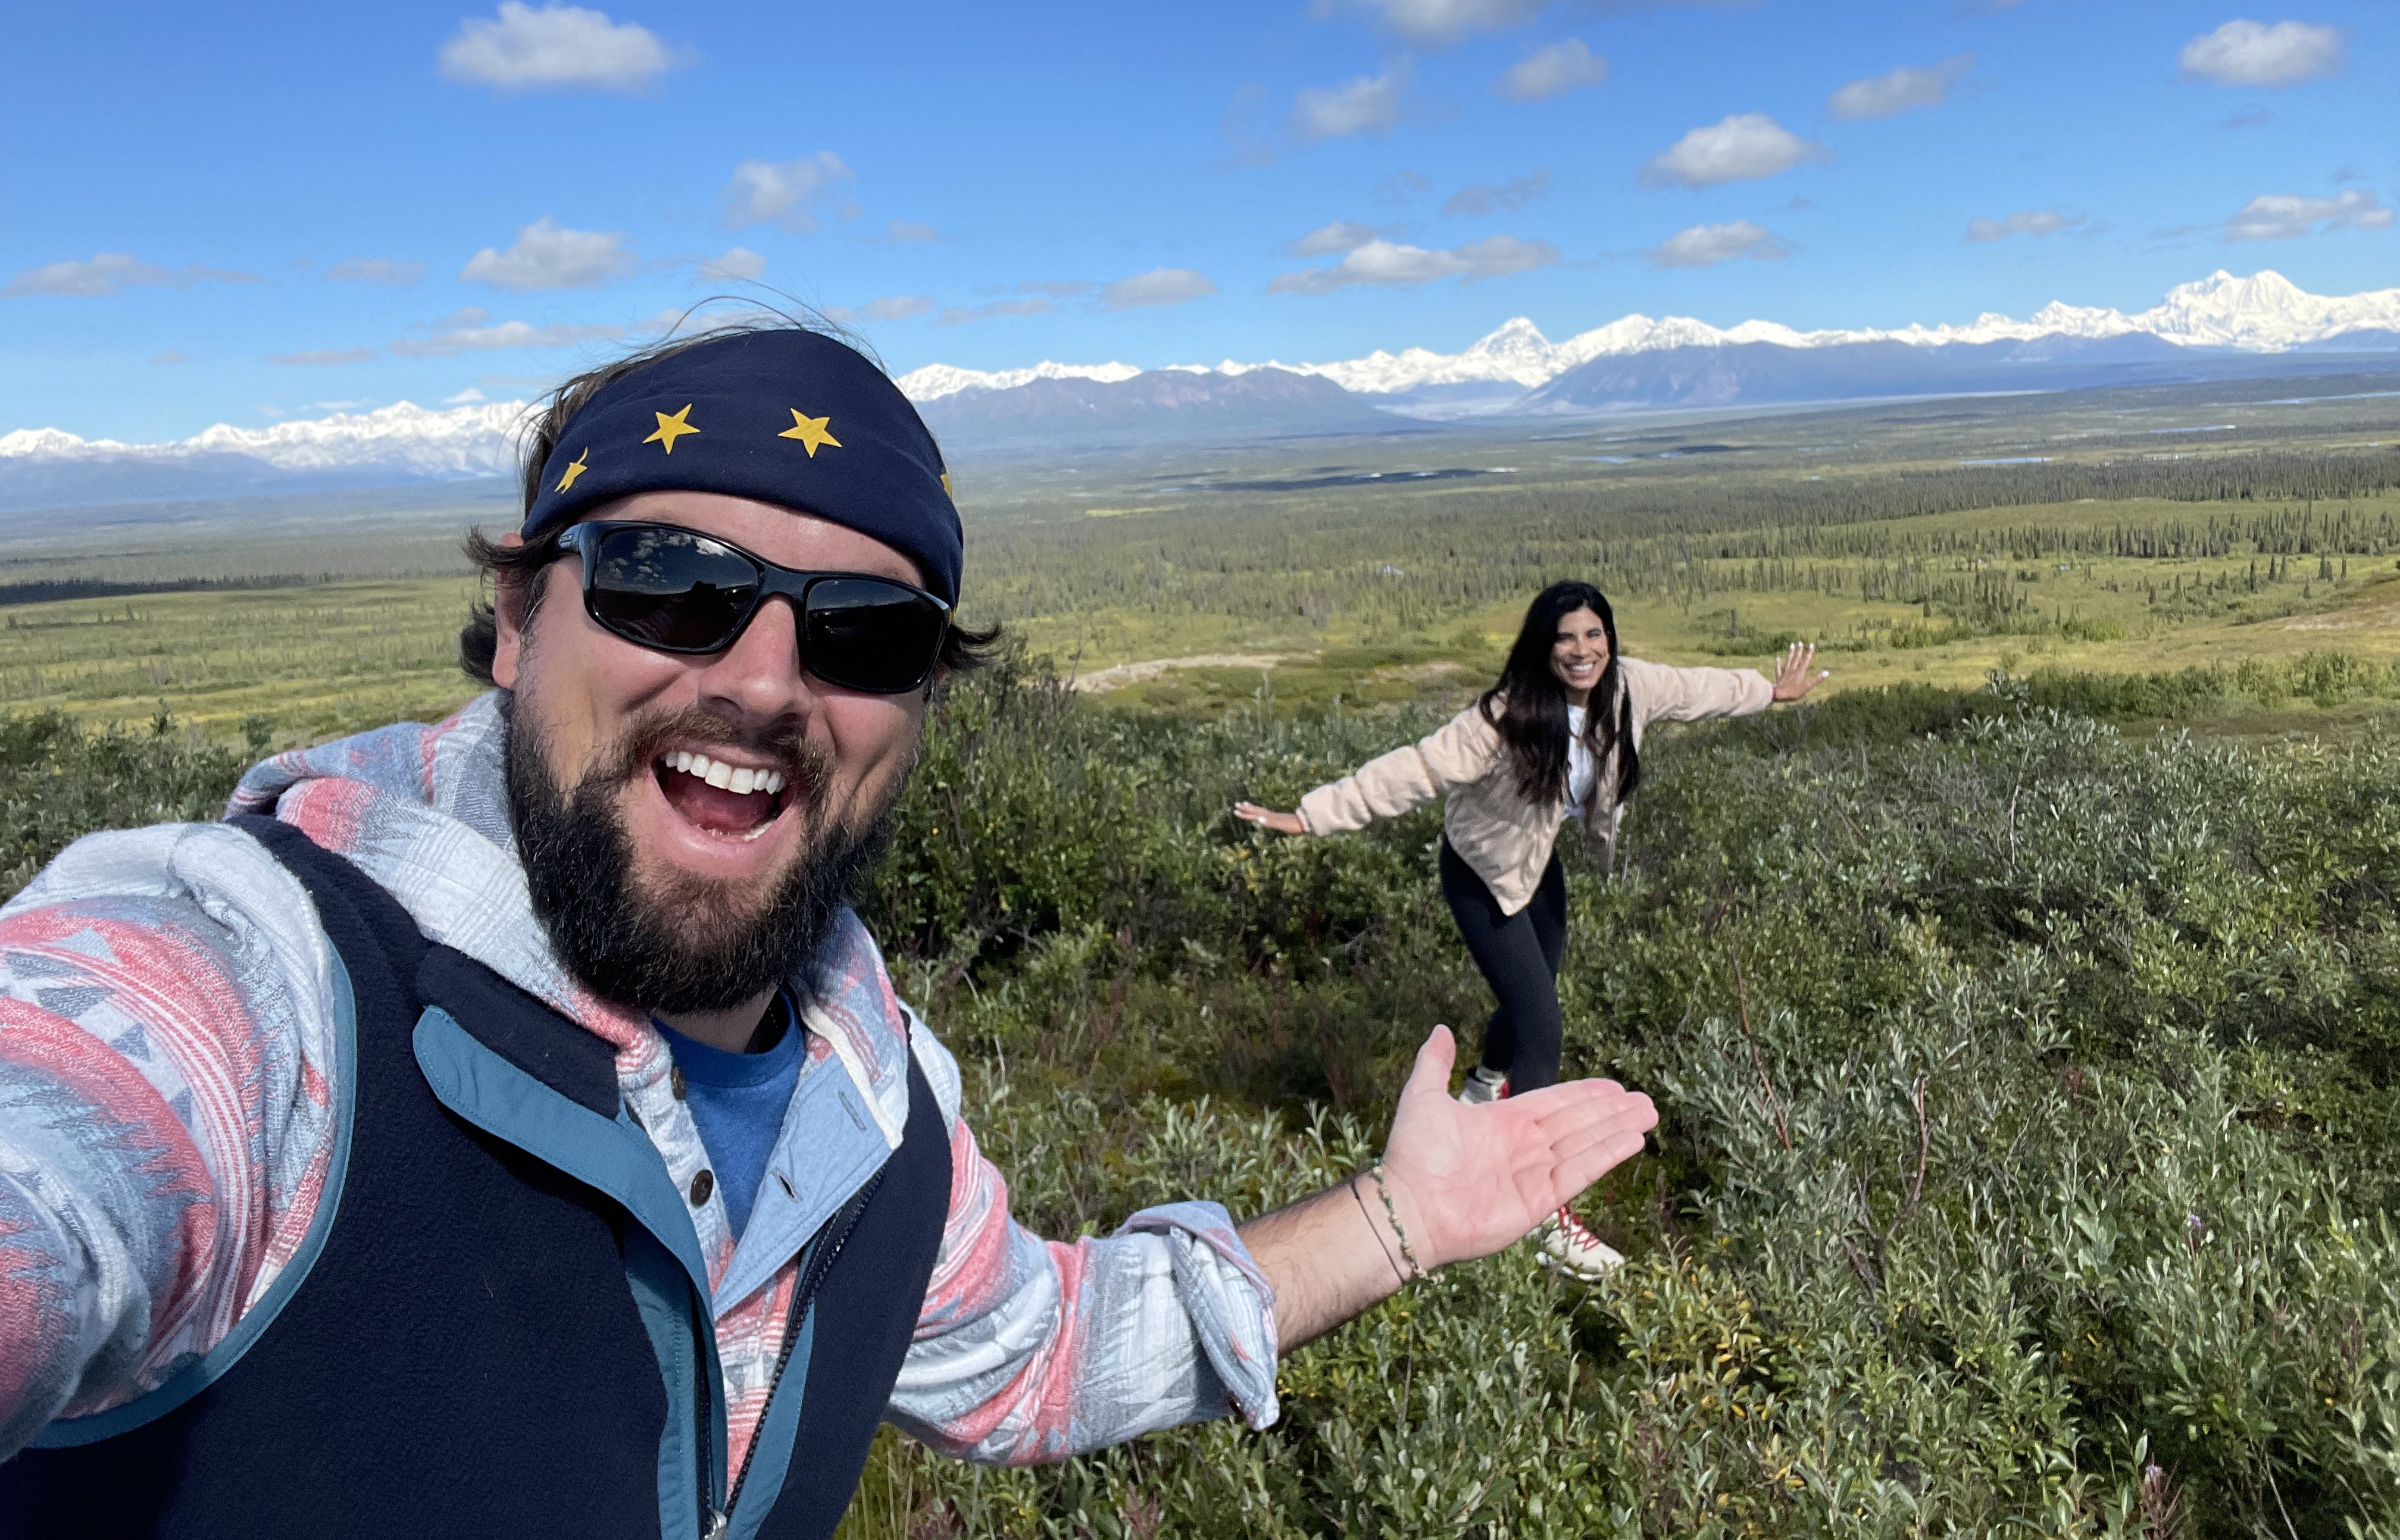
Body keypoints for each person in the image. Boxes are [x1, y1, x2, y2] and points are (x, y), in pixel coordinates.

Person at [0, 328, 1659, 1537]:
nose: (765, 681)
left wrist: (1395, 1221)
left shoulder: (872, 1108)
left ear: (924, 701)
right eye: (668, 582)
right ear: (516, 617)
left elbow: (1039, 1350)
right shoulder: (254, 992)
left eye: (864, 632)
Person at [1236, 581, 1822, 1281]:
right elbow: (1416, 770)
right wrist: (1312, 815)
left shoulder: (1631, 688)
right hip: (1481, 875)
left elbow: (1701, 689)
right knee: (1543, 1024)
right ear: (1543, 647)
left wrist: (1768, 691)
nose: (1583, 651)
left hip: (1534, 867)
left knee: (1531, 994)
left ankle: (1484, 1088)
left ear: (1610, 638)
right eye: (1565, 638)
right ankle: (1544, 1215)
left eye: (1594, 635)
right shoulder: (1503, 717)